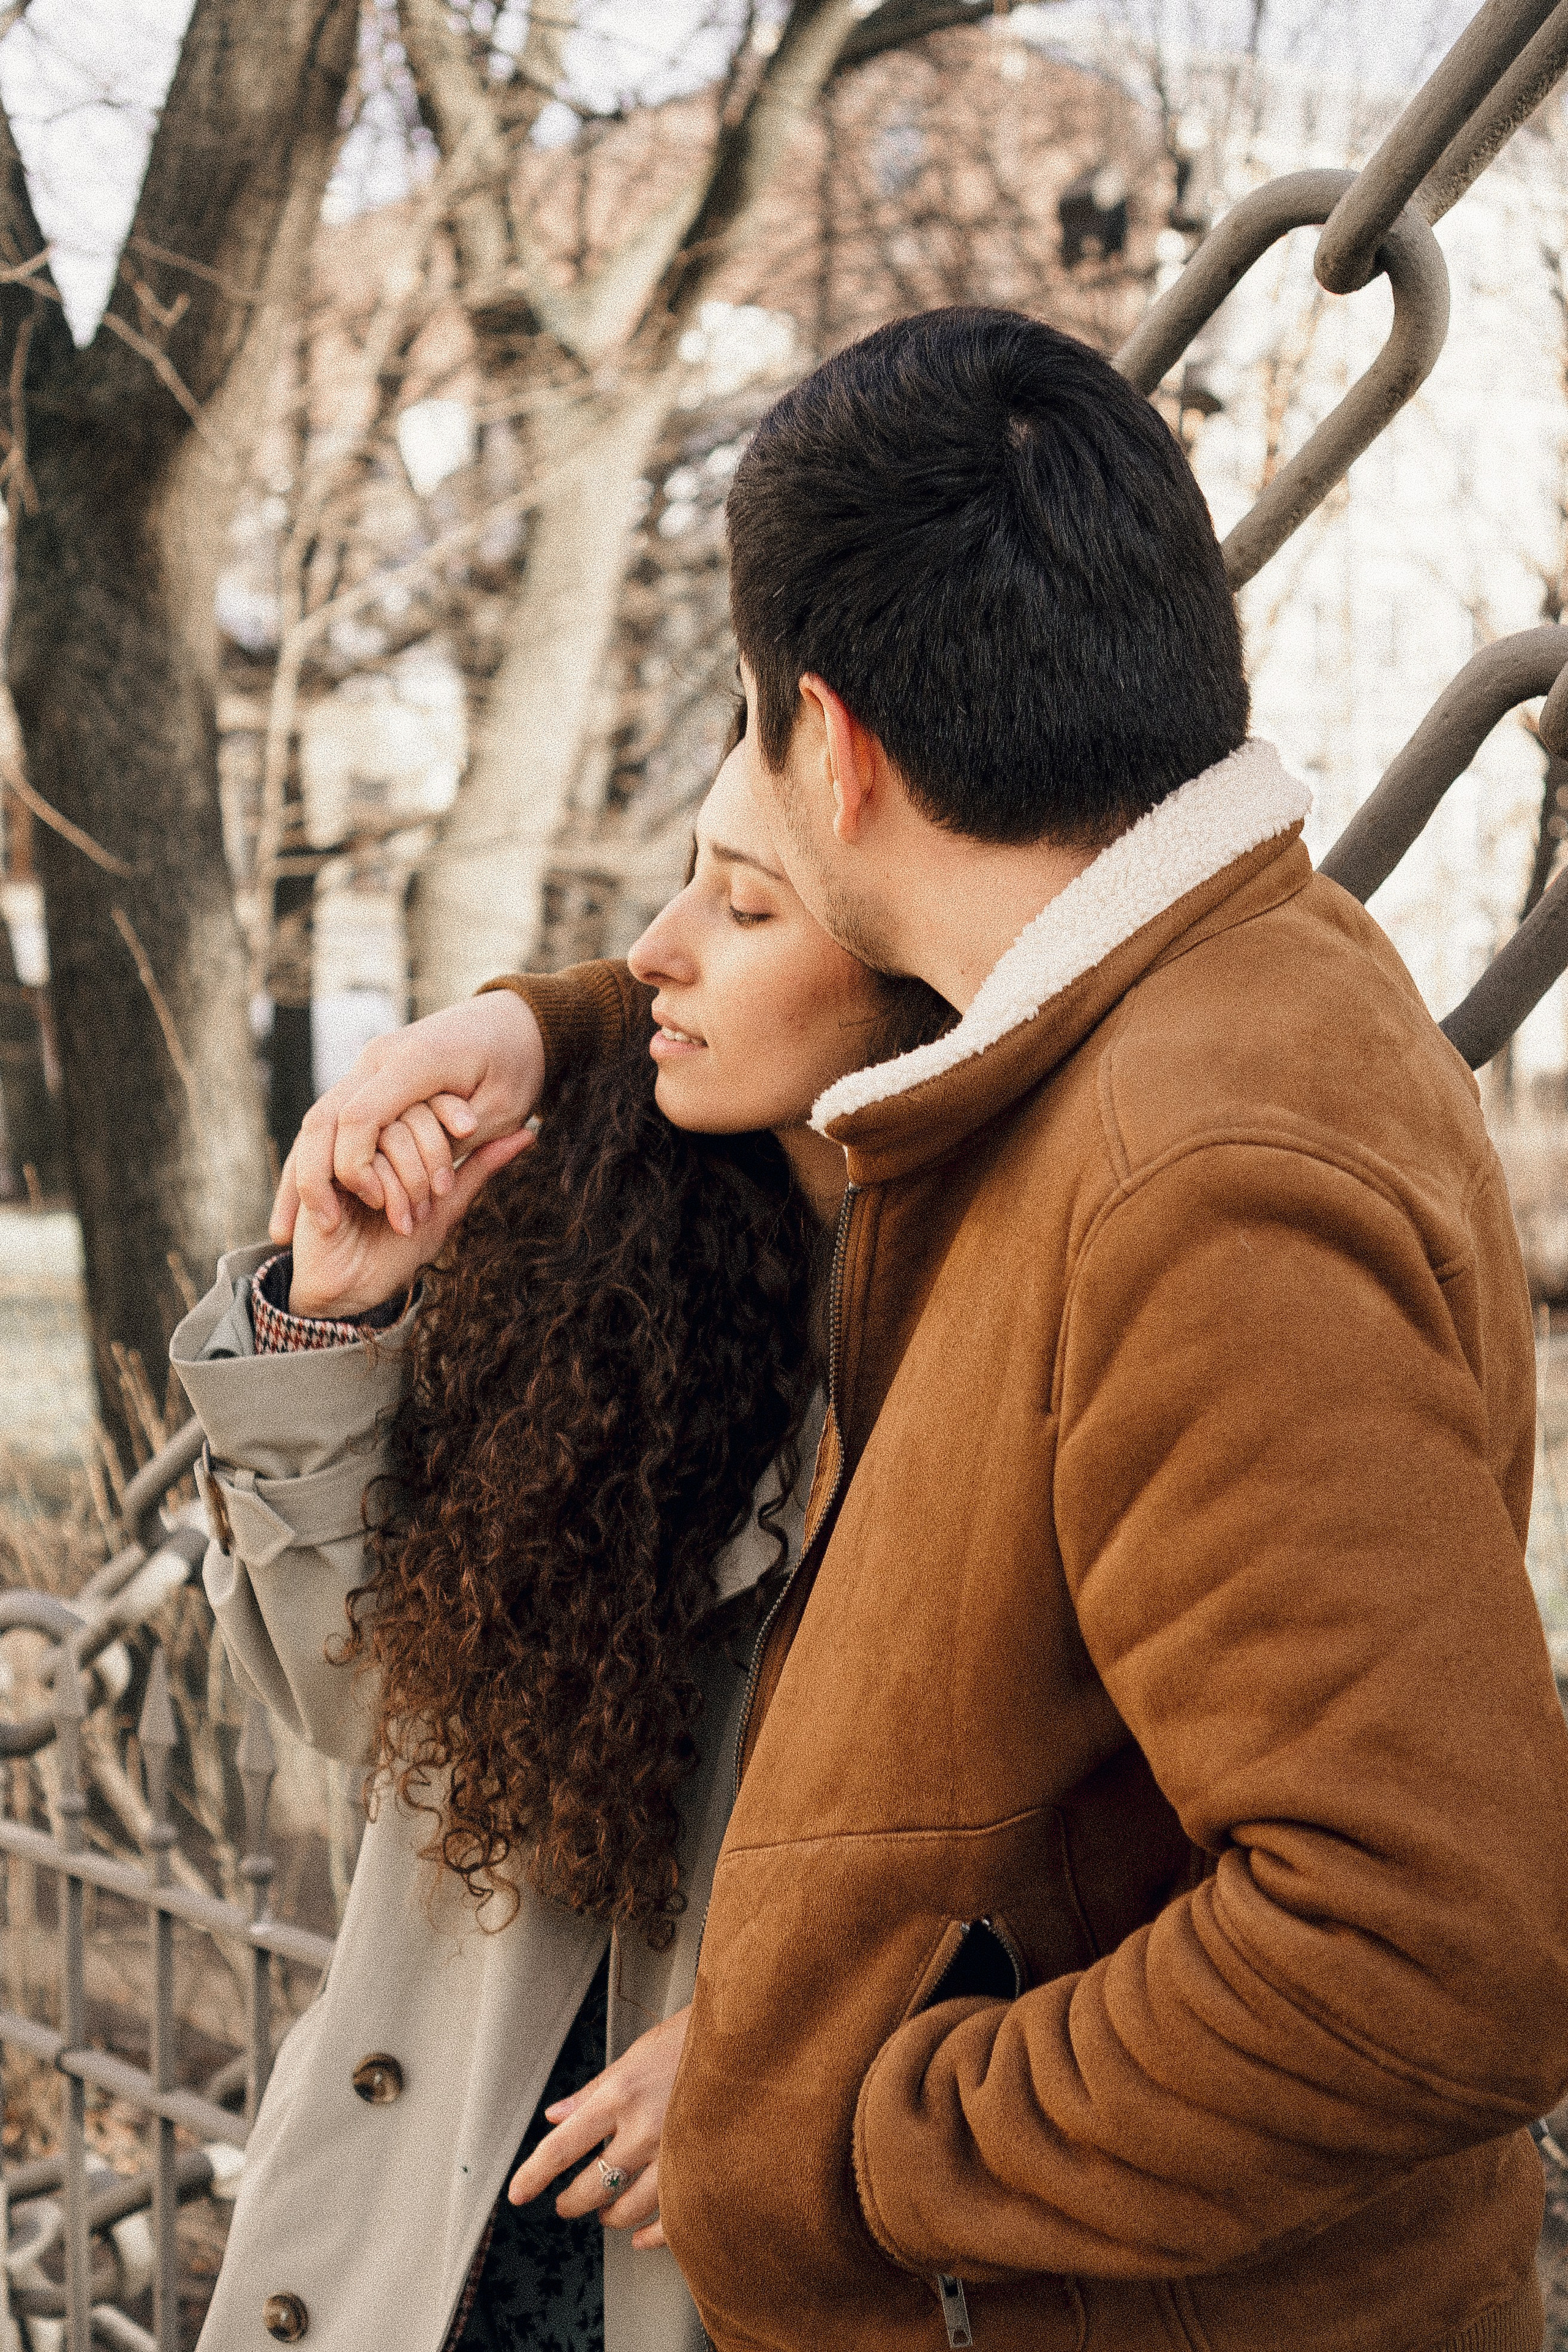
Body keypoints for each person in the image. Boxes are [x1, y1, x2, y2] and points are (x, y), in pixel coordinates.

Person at [276, 308, 1568, 2352]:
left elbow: (1433, 1950)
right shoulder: (1202, 994)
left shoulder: (1194, 1174)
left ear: (837, 746)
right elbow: (891, 1029)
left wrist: (843, 2120)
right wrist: (564, 1028)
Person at [173, 741, 946, 2352]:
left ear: (921, 966)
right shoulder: (605, 1242)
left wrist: (812, 2053)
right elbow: (365, 1706)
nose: (654, 951)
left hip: (742, 2264)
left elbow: (1102, 1872)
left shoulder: (1013, 1331)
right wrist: (336, 1311)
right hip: (429, 2236)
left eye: (741, 905)